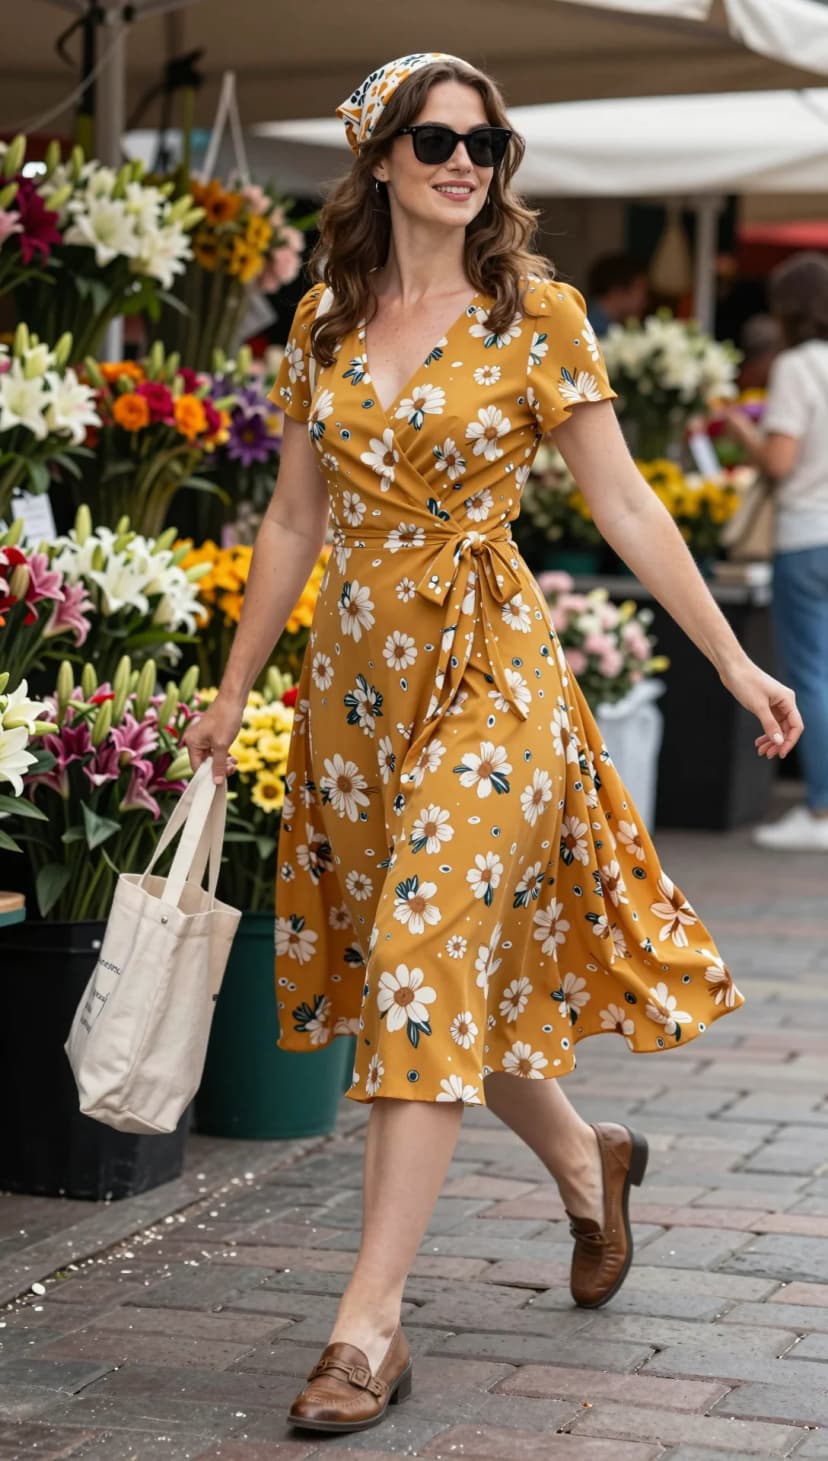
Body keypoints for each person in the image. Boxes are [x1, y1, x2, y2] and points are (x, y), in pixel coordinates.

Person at [184, 53, 802, 1436]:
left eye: (488, 140)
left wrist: (732, 655)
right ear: (383, 159)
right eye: (440, 139)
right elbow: (290, 522)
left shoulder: (541, 315)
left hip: (490, 671)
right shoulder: (325, 322)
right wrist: (233, 692)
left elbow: (629, 504)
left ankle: (368, 1325)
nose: (469, 160)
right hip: (354, 689)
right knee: (433, 967)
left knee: (417, 950)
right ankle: (592, 1166)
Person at [722, 252, 828, 851]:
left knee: (810, 674)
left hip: (807, 535)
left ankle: (820, 811)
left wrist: (740, 430)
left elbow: (780, 462)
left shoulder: (796, 366)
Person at [585, 251, 649, 336]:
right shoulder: (593, 332)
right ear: (618, 291)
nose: (645, 302)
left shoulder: (608, 325)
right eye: (642, 291)